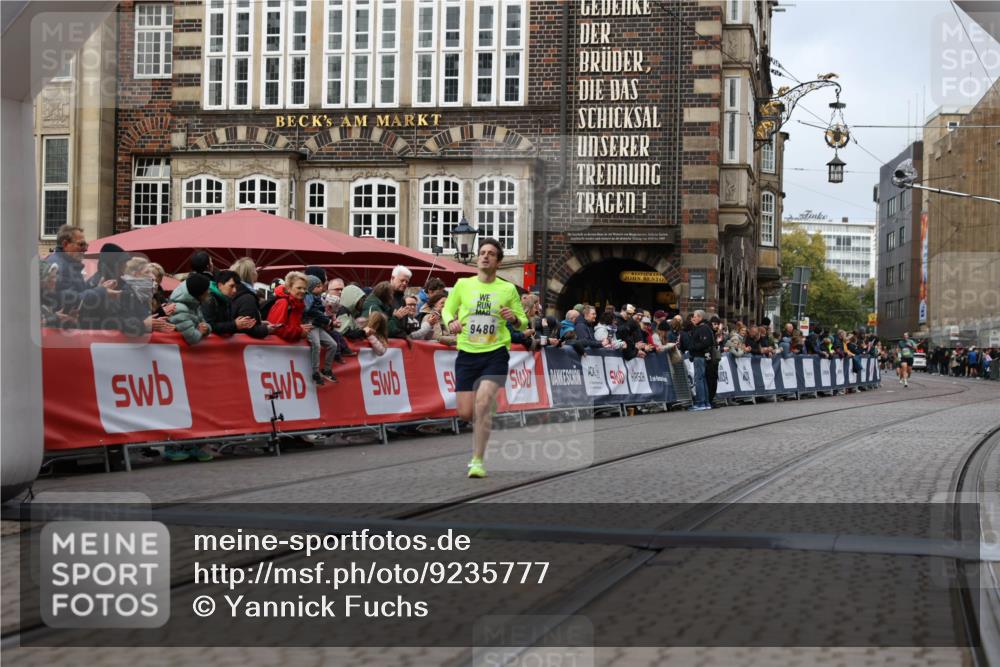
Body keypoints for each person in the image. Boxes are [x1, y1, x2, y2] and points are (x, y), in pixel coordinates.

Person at [441, 238, 528, 479]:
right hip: (467, 353)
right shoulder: (462, 285)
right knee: (465, 413)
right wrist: (451, 321)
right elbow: (448, 309)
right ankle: (486, 406)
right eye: (482, 252)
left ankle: (477, 461)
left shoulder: (507, 289)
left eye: (490, 253)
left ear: (498, 262)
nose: (485, 256)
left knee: (481, 404)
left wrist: (513, 318)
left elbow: (524, 320)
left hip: (496, 353)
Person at [229, 257, 278, 338]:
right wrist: (266, 330)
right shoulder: (247, 297)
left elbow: (245, 321)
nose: (256, 272)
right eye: (255, 270)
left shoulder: (236, 292)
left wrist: (260, 323)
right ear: (250, 274)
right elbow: (248, 327)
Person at [303, 274, 339, 383]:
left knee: (333, 345)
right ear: (310, 287)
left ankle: (326, 369)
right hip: (311, 325)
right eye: (317, 286)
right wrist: (328, 321)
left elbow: (320, 312)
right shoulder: (308, 298)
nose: (321, 288)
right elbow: (312, 311)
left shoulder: (318, 299)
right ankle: (315, 372)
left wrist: (328, 313)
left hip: (317, 326)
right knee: (316, 345)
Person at [201, 270, 258, 336]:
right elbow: (208, 326)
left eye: (236, 287)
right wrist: (235, 324)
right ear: (220, 285)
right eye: (231, 286)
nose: (235, 290)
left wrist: (241, 324)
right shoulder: (209, 299)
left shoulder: (225, 299)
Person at [167, 273, 213, 346]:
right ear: (199, 293)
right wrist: (200, 332)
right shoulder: (179, 308)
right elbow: (192, 338)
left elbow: (203, 323)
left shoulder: (194, 303)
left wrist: (206, 328)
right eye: (206, 290)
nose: (209, 292)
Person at [688, 310, 714, 411]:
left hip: (699, 356)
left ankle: (701, 403)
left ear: (700, 317)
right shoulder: (702, 327)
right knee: (702, 379)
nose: (693, 318)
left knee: (699, 379)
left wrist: (692, 347)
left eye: (694, 316)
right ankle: (705, 402)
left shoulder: (703, 328)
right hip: (700, 356)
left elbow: (705, 343)